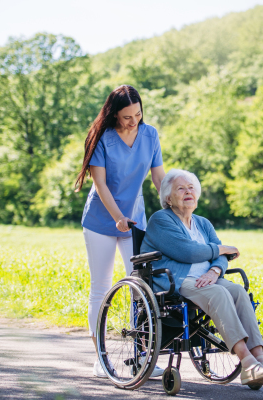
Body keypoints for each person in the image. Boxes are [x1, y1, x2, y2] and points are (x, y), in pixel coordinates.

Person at [141, 169, 263, 388]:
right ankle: (247, 363)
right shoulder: (161, 220)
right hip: (177, 280)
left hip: (206, 278)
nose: (188, 192)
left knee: (238, 291)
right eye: (180, 188)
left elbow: (221, 258)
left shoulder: (203, 223)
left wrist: (215, 271)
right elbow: (187, 252)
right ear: (168, 198)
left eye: (191, 187)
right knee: (218, 293)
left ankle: (260, 361)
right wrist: (221, 249)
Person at [75, 85, 166, 378]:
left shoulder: (150, 135)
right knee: (101, 287)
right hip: (102, 220)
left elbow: (159, 177)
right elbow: (100, 185)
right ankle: (101, 358)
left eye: (138, 114)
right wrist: (117, 217)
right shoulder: (101, 138)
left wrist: (174, 206)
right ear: (114, 114)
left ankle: (142, 357)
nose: (133, 121)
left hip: (134, 221)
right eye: (127, 117)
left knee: (141, 288)